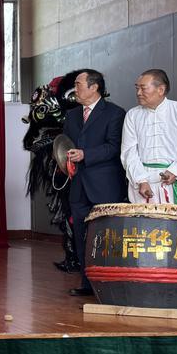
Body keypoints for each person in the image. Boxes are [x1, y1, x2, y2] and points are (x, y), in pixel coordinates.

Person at [120, 70, 177, 308]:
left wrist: (176, 171)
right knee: (147, 237)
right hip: (144, 184)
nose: (138, 92)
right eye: (137, 87)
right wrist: (140, 180)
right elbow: (129, 152)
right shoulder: (132, 115)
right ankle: (147, 288)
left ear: (160, 89)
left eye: (143, 88)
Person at [62, 69, 127, 296]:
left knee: (107, 235)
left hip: (105, 186)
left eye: (78, 85)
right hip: (78, 186)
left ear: (94, 87)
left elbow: (114, 147)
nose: (75, 89)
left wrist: (85, 154)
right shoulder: (71, 115)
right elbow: (65, 145)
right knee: (81, 236)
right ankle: (87, 283)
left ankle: (110, 284)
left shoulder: (115, 113)